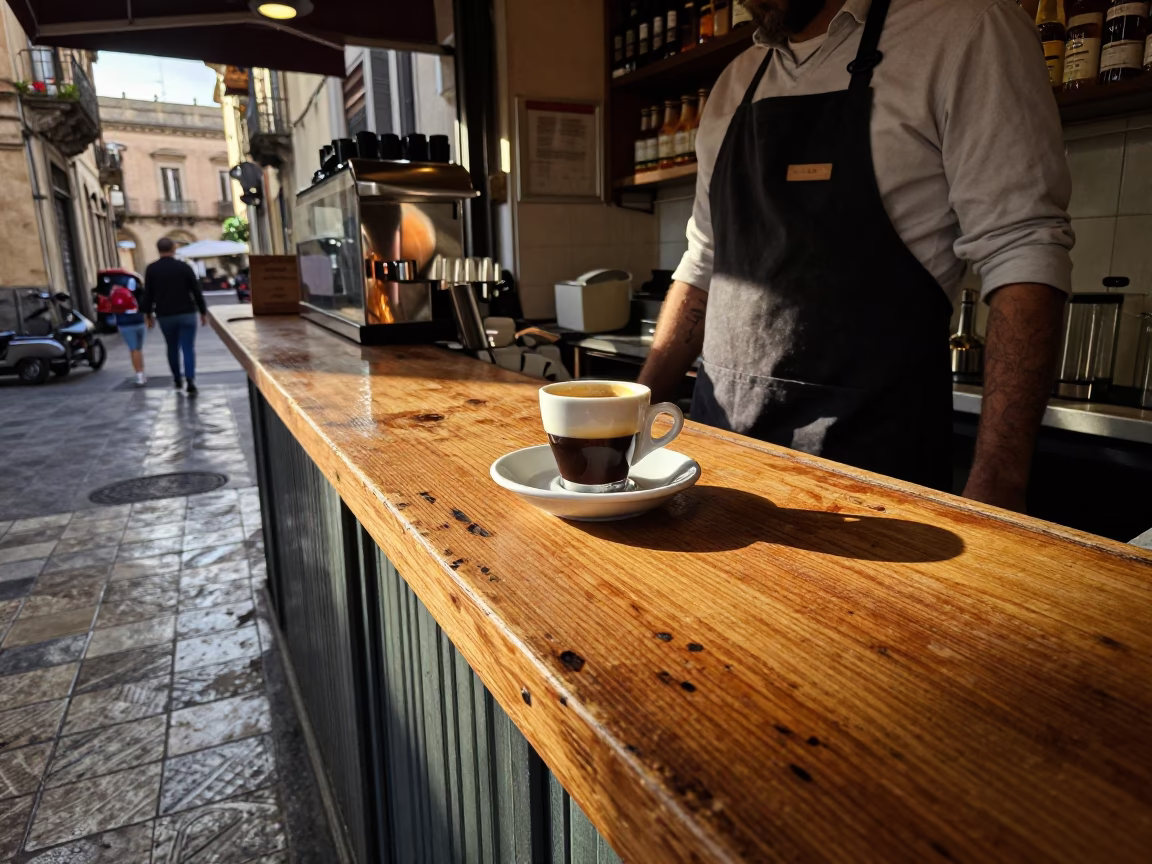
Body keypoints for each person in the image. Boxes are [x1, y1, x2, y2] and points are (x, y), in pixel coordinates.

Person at [638, 0, 1072, 513]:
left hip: (874, 476)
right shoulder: (736, 81)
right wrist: (629, 417)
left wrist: (997, 489)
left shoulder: (967, 29)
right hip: (722, 464)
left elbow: (1023, 248)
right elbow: (703, 262)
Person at [142, 237, 207, 395]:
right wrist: (203, 312)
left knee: (171, 347)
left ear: (158, 249)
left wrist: (148, 314)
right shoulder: (184, 267)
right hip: (187, 313)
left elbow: (148, 294)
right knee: (188, 348)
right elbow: (196, 290)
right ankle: (190, 379)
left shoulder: (152, 269)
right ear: (173, 248)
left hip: (165, 314)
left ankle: (177, 378)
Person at [107, 280, 147, 386]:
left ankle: (139, 376)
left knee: (133, 350)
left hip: (126, 324)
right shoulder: (134, 292)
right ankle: (142, 373)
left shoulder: (114, 293)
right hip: (139, 321)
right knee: (138, 349)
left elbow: (111, 308)